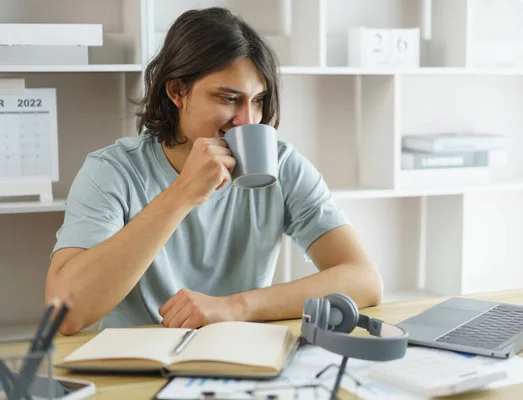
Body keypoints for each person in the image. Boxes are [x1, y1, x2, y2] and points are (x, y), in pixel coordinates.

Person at [45, 7, 383, 335]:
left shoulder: (282, 165)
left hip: (236, 356)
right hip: (138, 366)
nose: (247, 120)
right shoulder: (112, 171)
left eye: (257, 100)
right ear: (178, 91)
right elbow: (65, 314)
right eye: (229, 99)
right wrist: (183, 193)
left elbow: (364, 280)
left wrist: (235, 307)